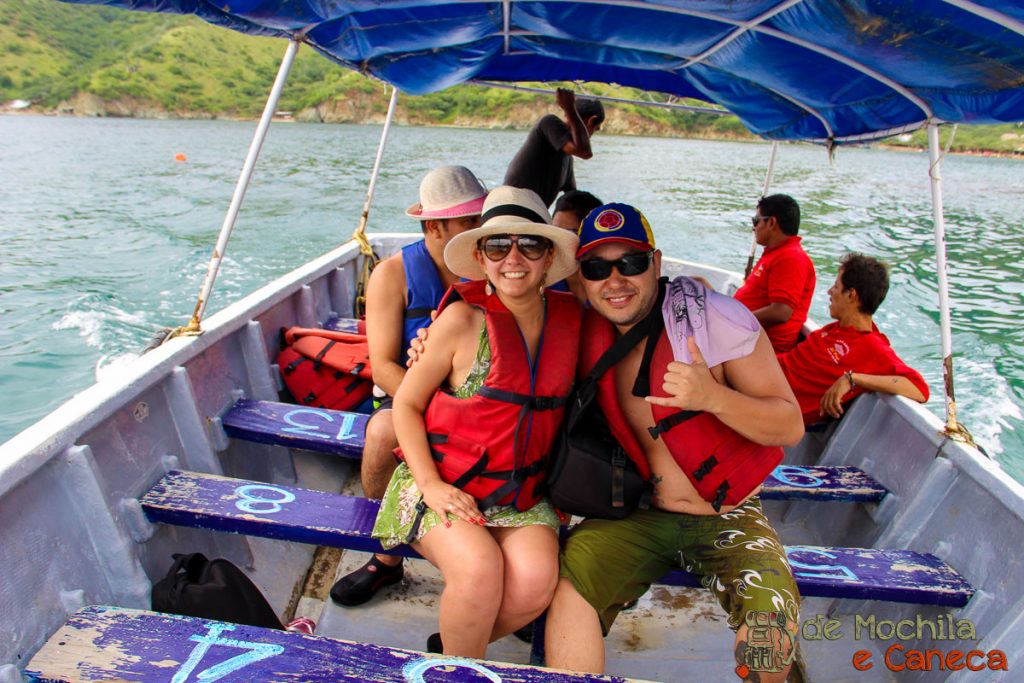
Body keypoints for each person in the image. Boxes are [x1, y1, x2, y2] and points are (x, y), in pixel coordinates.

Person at [544, 203, 804, 682]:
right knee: (568, 586)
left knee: (770, 628)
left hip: (730, 514)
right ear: (581, 278)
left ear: (657, 264)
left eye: (632, 263)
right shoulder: (581, 331)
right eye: (598, 268)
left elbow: (789, 425)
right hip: (638, 513)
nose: (615, 280)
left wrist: (715, 398)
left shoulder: (717, 321)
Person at [372, 186, 583, 658]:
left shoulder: (573, 322)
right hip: (440, 481)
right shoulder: (460, 321)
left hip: (522, 492)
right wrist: (430, 484)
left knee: (534, 584)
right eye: (497, 245)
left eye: (530, 244)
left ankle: (454, 647)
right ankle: (461, 662)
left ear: (549, 257)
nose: (514, 258)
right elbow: (404, 406)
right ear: (481, 258)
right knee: (480, 570)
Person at [330, 165, 487, 607]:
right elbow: (381, 367)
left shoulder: (494, 265)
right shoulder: (393, 275)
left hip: (478, 400)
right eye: (469, 222)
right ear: (436, 227)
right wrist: (436, 413)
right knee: (381, 433)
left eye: (481, 220)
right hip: (406, 399)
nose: (480, 231)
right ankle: (387, 557)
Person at [777, 253, 929, 425]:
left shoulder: (872, 347)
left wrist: (852, 379)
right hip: (764, 375)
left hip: (772, 400)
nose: (829, 292)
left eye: (835, 287)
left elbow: (919, 388)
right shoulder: (837, 329)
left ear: (851, 295)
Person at [734, 194, 815, 353]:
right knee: (696, 284)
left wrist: (735, 320)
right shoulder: (775, 254)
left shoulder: (791, 258)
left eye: (756, 221)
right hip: (742, 334)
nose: (754, 227)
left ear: (771, 222)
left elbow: (781, 312)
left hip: (756, 346)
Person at [504, 88, 605, 208]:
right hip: (510, 209)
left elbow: (572, 195)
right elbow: (584, 152)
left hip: (531, 215)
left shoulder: (567, 159)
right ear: (591, 121)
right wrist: (569, 108)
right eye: (596, 129)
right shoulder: (548, 123)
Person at [550, 190, 604, 302]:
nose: (560, 241)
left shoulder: (613, 282)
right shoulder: (541, 285)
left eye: (570, 234)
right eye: (555, 232)